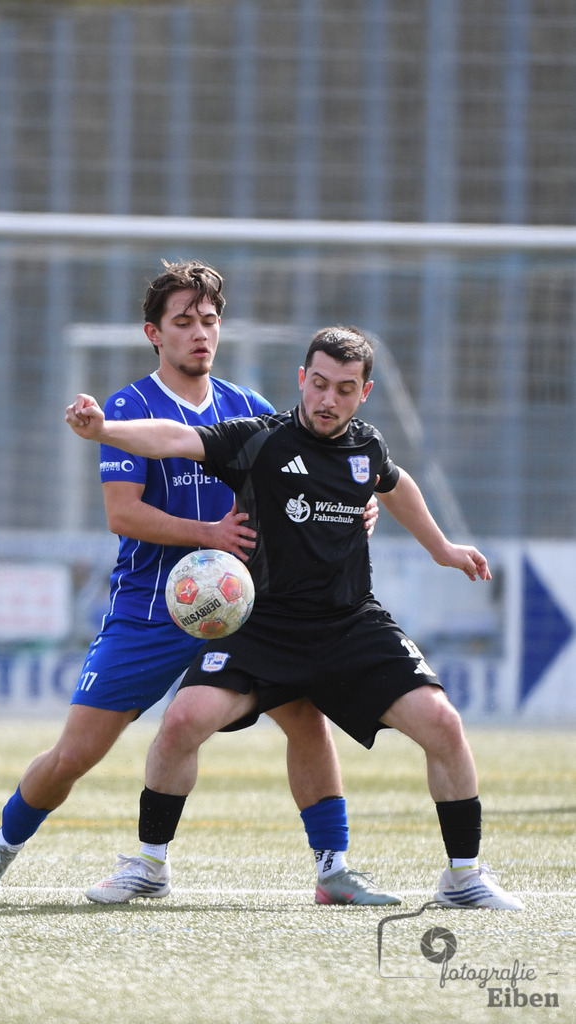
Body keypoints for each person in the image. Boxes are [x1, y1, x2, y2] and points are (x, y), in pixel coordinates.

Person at [0, 262, 395, 909]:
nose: (199, 333)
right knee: (76, 753)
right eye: (182, 322)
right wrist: (207, 535)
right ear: (153, 333)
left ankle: (332, 868)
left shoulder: (248, 408)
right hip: (149, 609)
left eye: (208, 320)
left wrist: (362, 504)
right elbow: (121, 514)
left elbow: (312, 477)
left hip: (245, 609)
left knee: (304, 717)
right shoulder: (131, 408)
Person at [65, 324, 524, 912]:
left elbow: (397, 482)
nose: (328, 400)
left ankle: (463, 876)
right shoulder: (259, 440)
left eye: (345, 389)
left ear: (364, 392)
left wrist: (442, 548)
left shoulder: (366, 447)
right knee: (182, 722)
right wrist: (103, 429)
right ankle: (150, 864)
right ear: (302, 380)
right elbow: (173, 439)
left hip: (348, 625)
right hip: (261, 626)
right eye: (320, 384)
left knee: (444, 724)